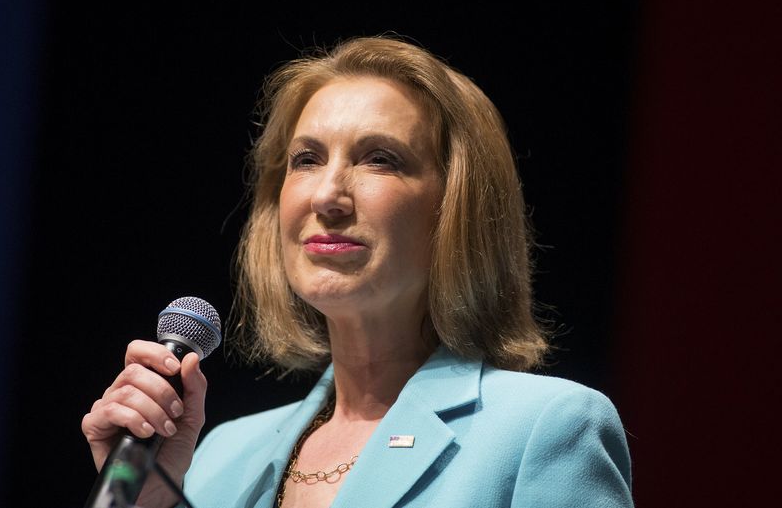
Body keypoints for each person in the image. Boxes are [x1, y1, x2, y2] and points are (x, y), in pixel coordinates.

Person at [81, 34, 633, 508]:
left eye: (379, 159)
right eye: (307, 159)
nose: (328, 196)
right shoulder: (217, 455)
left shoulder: (547, 429)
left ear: (456, 207)